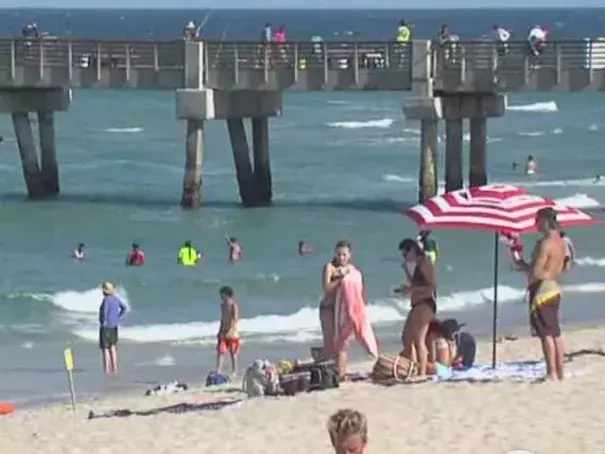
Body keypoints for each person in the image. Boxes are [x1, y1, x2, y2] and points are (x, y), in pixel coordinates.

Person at [513, 207, 566, 380]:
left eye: (537, 220)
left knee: (546, 334)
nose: (535, 224)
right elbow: (565, 266)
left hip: (542, 290)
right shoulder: (561, 242)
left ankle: (551, 372)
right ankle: (559, 371)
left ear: (544, 221)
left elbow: (535, 272)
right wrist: (517, 257)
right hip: (554, 287)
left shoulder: (545, 243)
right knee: (555, 332)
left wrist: (523, 265)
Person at [396, 238, 437, 379]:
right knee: (407, 337)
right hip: (418, 304)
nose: (405, 257)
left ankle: (422, 373)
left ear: (413, 250)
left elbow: (430, 285)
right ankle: (413, 367)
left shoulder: (425, 263)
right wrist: (406, 271)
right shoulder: (419, 265)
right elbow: (415, 283)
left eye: (405, 254)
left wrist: (410, 288)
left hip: (425, 304)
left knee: (419, 340)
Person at [320, 240, 355, 361]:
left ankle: (340, 372)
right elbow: (327, 287)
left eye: (344, 254)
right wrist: (341, 279)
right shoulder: (330, 267)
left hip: (342, 310)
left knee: (343, 344)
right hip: (328, 308)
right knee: (329, 343)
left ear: (350, 255)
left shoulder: (350, 269)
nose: (341, 257)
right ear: (335, 254)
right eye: (339, 254)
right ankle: (329, 372)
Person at [98, 281, 127, 375]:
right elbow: (124, 308)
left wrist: (103, 321)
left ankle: (107, 370)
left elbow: (105, 313)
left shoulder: (106, 300)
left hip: (106, 327)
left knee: (105, 349)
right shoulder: (116, 299)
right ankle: (115, 368)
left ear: (105, 291)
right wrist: (117, 317)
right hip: (114, 326)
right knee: (113, 348)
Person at [216, 286, 240, 376]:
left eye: (222, 294)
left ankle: (234, 371)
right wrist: (220, 331)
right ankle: (218, 370)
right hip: (224, 331)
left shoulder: (233, 305)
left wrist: (231, 331)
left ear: (226, 294)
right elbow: (222, 319)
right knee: (220, 351)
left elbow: (235, 319)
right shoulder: (222, 305)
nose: (220, 296)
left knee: (233, 352)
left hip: (233, 332)